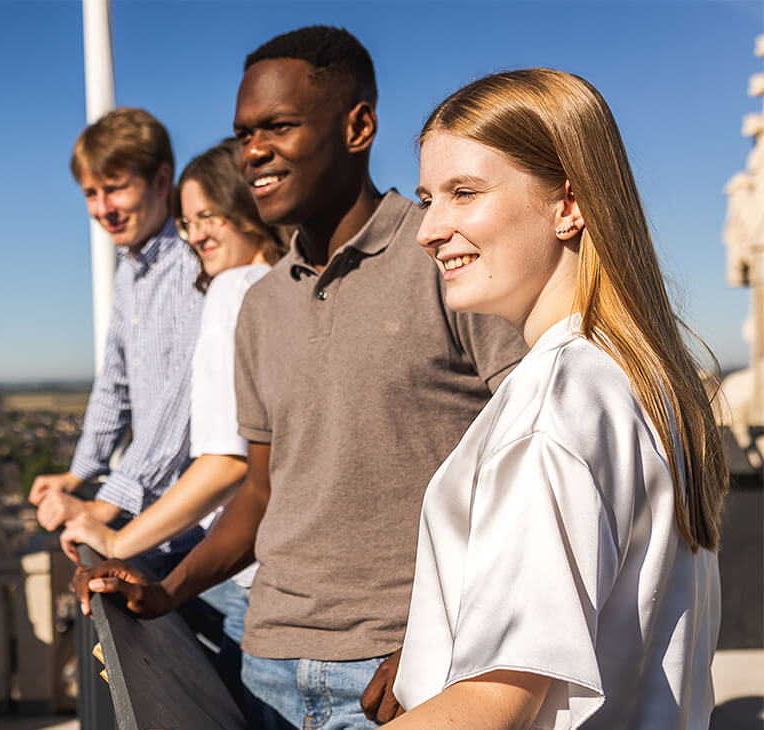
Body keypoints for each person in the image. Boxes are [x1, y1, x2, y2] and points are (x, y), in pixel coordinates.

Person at [73, 26, 526, 730]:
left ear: (358, 127)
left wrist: (445, 637)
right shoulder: (260, 304)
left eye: (278, 127)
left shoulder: (444, 258)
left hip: (402, 677)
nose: (253, 151)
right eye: (243, 133)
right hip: (267, 668)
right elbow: (259, 494)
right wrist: (165, 589)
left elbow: (527, 470)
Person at [385, 68, 726, 730]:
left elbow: (498, 699)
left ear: (569, 204)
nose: (428, 229)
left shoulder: (554, 401)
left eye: (464, 192)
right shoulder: (637, 377)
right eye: (428, 198)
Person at [60, 137, 287, 706]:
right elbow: (115, 384)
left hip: (254, 573)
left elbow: (225, 460)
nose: (197, 235)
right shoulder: (288, 286)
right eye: (190, 222)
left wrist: (116, 534)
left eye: (209, 215)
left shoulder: (232, 287)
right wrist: (81, 476)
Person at [29, 107, 205, 567]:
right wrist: (78, 475)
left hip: (206, 530)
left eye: (116, 188)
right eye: (91, 193)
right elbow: (116, 383)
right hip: (158, 526)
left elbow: (183, 400)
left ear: (161, 180)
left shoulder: (195, 259)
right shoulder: (131, 270)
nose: (102, 209)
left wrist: (104, 505)